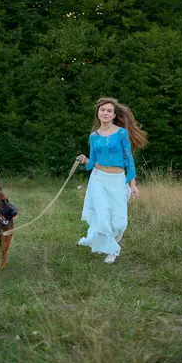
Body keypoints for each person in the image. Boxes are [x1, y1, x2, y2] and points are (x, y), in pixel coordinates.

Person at [76, 97, 148, 264]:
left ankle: (111, 241)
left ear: (114, 114)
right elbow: (93, 162)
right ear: (98, 113)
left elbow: (129, 159)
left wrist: (133, 185)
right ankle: (111, 250)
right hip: (98, 179)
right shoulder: (93, 136)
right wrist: (85, 160)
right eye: (102, 110)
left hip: (117, 180)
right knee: (102, 216)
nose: (105, 113)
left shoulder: (121, 133)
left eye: (109, 111)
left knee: (118, 221)